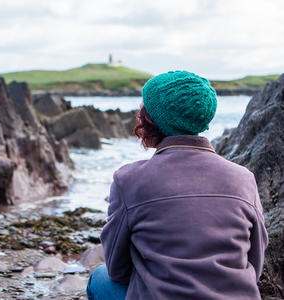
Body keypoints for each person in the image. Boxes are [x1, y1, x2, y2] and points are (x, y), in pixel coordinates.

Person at [86, 70, 268, 300]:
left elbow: (117, 270)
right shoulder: (244, 178)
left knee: (99, 278)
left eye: (143, 109)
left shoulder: (129, 179)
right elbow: (255, 264)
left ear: (150, 119)